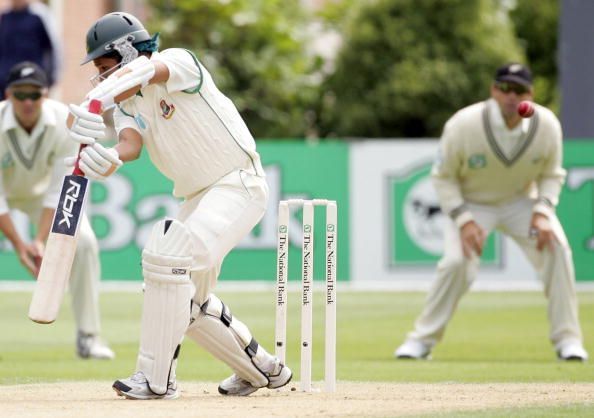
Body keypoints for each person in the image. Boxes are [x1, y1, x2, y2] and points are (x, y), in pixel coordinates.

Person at [67, 12, 292, 399]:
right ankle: (262, 369)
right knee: (179, 297)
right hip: (197, 196)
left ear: (126, 53)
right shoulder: (125, 105)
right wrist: (108, 157)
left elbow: (150, 71)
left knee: (170, 260)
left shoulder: (179, 63)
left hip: (238, 182)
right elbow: (130, 145)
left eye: (105, 68)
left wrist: (92, 100)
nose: (102, 79)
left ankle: (155, 380)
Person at [395, 63, 588, 362]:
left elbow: (552, 174)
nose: (512, 96)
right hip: (472, 203)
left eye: (519, 90)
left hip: (520, 202)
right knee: (456, 263)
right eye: (505, 88)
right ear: (494, 90)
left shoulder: (546, 124)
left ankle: (569, 341)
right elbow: (443, 177)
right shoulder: (464, 124)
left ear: (530, 94)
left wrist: (542, 211)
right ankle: (421, 341)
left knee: (557, 249)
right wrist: (464, 220)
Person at [0, 61, 114, 359]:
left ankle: (88, 337)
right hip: (7, 194)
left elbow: (57, 191)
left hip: (41, 199)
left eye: (34, 95)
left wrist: (39, 241)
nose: (28, 102)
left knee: (86, 243)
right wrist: (18, 243)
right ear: (8, 94)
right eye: (21, 94)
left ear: (45, 94)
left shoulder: (65, 120)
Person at [0, 0, 62, 100]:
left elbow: (52, 50)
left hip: (31, 83)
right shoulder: (5, 17)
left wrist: (50, 79)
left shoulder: (39, 15)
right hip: (5, 85)